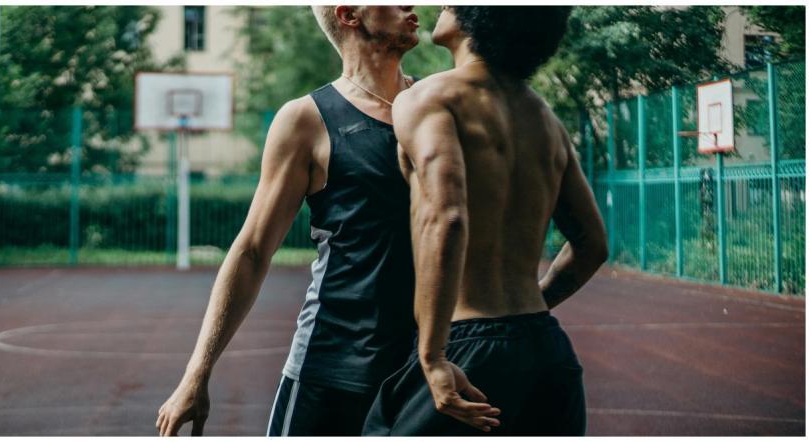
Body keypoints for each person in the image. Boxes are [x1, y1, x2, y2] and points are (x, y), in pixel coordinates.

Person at [155, 6, 498, 437]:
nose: (410, 5)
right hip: (330, 366)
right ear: (348, 14)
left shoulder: (440, 106)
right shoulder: (307, 120)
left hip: (427, 371)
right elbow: (252, 250)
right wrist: (196, 372)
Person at [362, 6, 608, 436]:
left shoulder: (429, 98)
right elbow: (592, 245)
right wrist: (529, 312)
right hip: (546, 349)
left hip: (466, 349)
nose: (441, 6)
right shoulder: (546, 120)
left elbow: (448, 217)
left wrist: (434, 355)